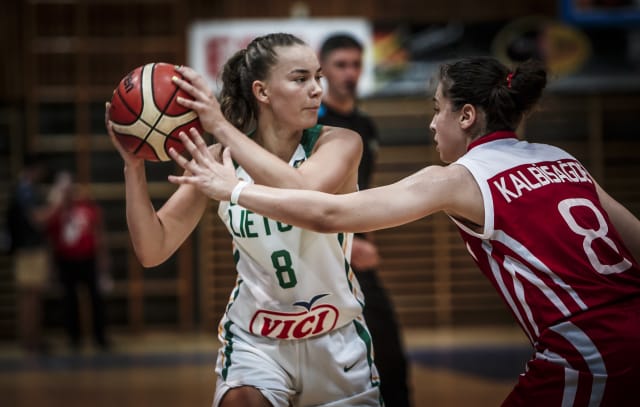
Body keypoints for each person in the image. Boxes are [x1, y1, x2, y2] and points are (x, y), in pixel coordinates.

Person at [169, 56, 640, 406]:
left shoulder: (458, 178)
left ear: (466, 116)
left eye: (438, 109)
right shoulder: (562, 159)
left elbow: (328, 214)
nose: (432, 123)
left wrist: (233, 190)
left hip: (589, 348)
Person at [106, 33, 382, 406]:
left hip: (335, 340)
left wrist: (220, 127)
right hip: (258, 341)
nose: (317, 89)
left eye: (317, 77)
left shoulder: (340, 143)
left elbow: (303, 189)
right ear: (262, 91)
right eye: (300, 79)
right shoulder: (219, 161)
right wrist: (133, 167)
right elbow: (153, 248)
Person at [317, 33, 411, 407]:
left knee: (388, 353)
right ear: (323, 70)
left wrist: (365, 234)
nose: (350, 73)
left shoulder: (366, 125)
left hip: (357, 249)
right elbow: (307, 196)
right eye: (341, 65)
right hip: (325, 250)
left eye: (356, 64)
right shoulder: (313, 125)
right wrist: (349, 242)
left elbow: (361, 191)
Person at [46, 171, 110, 352]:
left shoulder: (87, 207)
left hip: (88, 258)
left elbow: (99, 234)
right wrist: (52, 267)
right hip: (66, 260)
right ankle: (73, 338)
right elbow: (51, 239)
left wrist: (103, 260)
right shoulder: (55, 212)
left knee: (96, 299)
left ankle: (100, 337)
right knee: (69, 300)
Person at [7, 153, 52, 356]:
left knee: (31, 296)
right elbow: (38, 219)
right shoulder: (25, 190)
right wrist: (57, 203)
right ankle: (30, 340)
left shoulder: (23, 188)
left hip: (26, 248)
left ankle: (32, 338)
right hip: (29, 249)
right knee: (30, 297)